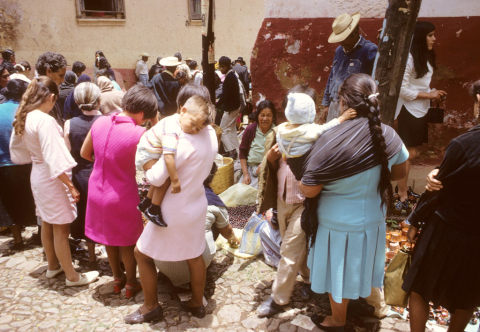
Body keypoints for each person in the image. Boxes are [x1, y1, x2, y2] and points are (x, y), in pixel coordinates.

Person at [296, 74, 407, 330]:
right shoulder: (388, 135)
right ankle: (373, 305)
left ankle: (338, 319)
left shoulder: (331, 138)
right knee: (363, 261)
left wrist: (302, 184)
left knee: (339, 270)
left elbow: (310, 190)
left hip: (337, 222)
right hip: (373, 218)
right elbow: (400, 174)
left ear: (343, 102)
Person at [125, 89, 218, 324]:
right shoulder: (210, 134)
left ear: (183, 107)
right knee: (194, 255)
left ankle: (150, 307)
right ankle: (197, 302)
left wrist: (146, 165)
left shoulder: (179, 140)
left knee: (141, 254)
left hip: (173, 210)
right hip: (197, 203)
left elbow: (156, 178)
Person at [9, 76, 99, 286]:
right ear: (51, 97)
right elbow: (54, 157)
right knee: (61, 229)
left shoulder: (27, 116)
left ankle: (53, 265)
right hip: (52, 178)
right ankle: (72, 276)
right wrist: (70, 186)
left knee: (47, 223)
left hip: (39, 174)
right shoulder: (44, 120)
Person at [81, 85, 158, 298]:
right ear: (143, 113)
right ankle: (132, 283)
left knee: (109, 238)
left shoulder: (101, 121)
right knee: (128, 240)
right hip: (121, 193)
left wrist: (106, 163)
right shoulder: (140, 133)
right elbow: (159, 153)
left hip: (97, 190)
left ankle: (117, 279)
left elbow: (84, 153)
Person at [402, 123, 480, 332]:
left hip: (445, 228)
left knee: (419, 288)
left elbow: (438, 186)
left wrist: (416, 220)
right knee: (466, 297)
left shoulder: (465, 144)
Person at [256, 85, 316, 317]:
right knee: (296, 246)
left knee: (290, 249)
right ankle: (309, 281)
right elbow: (271, 169)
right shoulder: (280, 134)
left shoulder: (315, 137)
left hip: (304, 203)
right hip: (283, 201)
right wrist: (270, 159)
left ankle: (278, 299)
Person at [154, 162, 240, 288]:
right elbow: (227, 232)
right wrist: (234, 241)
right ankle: (195, 288)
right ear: (211, 178)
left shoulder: (168, 195)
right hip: (198, 263)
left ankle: (170, 274)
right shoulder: (213, 202)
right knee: (214, 223)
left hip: (162, 263)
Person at [394, 21, 447, 215]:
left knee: (411, 153)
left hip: (421, 108)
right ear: (420, 37)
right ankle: (401, 194)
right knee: (408, 154)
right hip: (409, 109)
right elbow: (402, 89)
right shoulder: (409, 58)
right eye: (430, 35)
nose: (434, 38)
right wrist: (429, 95)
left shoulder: (425, 55)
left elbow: (420, 86)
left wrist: (434, 92)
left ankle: (402, 192)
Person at [136, 94, 213, 227]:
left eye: (198, 129)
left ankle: (147, 202)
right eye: (193, 124)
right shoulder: (172, 129)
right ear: (183, 111)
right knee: (165, 179)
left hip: (149, 150)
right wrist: (175, 180)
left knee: (164, 176)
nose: (194, 130)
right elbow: (168, 157)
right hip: (147, 154)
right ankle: (154, 209)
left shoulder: (176, 121)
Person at [64, 82, 103, 271]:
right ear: (99, 100)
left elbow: (67, 153)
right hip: (103, 174)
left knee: (84, 212)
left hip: (80, 174)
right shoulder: (108, 121)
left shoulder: (69, 124)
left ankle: (92, 254)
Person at [0, 79, 36, 250]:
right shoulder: (27, 112)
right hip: (26, 162)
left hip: (3, 164)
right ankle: (40, 235)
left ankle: (17, 240)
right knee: (32, 198)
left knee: (9, 202)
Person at [322, 12, 378, 122]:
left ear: (355, 32)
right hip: (334, 104)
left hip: (353, 108)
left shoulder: (369, 50)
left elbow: (374, 82)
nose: (341, 42)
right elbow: (332, 76)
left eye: (344, 39)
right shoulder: (339, 50)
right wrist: (327, 104)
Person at [276, 93, 356, 159]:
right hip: (305, 162)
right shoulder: (308, 130)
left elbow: (282, 148)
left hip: (289, 160)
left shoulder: (281, 129)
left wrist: (285, 156)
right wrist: (343, 117)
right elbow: (326, 128)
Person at [238, 100, 276, 189]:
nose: (265, 119)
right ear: (257, 115)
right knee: (242, 194)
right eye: (262, 115)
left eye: (269, 115)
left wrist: (264, 164)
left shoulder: (276, 132)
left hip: (268, 171)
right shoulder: (250, 129)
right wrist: (246, 174)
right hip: (250, 170)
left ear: (273, 116)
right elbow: (242, 152)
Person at [217, 56, 241, 159]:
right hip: (235, 107)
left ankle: (231, 151)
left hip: (231, 108)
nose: (221, 69)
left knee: (222, 130)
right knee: (231, 130)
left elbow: (225, 96)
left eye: (222, 67)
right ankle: (238, 151)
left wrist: (217, 104)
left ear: (227, 66)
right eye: (220, 67)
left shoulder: (229, 77)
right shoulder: (232, 75)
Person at [35, 52, 68, 127]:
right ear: (49, 71)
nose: (63, 81)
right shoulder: (42, 97)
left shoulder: (46, 92)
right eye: (61, 76)